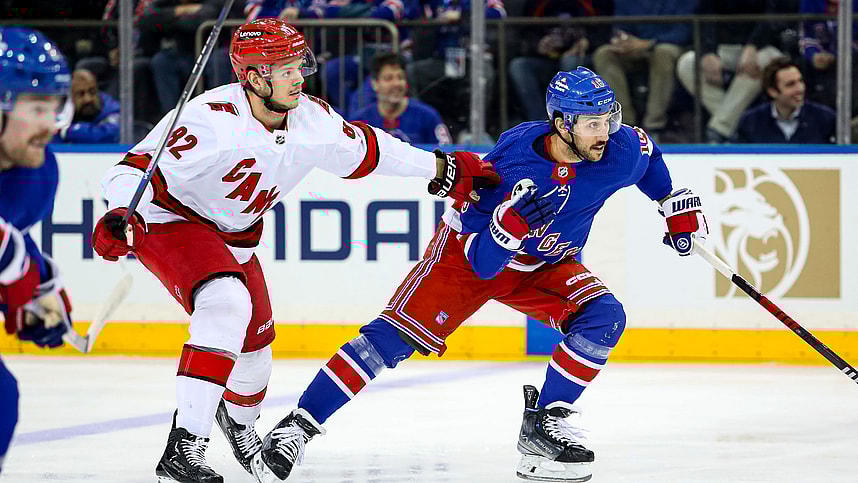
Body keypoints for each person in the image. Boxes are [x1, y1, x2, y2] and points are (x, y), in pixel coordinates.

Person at [251, 67, 709, 483]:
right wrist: (507, 227)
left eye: (608, 120)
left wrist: (671, 202)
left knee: (604, 317)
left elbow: (648, 159)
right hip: (469, 255)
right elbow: (483, 264)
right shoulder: (514, 167)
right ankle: (297, 426)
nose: (604, 133)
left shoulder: (617, 147)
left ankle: (544, 425)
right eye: (592, 124)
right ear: (561, 124)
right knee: (388, 342)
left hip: (545, 263)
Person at [90, 18, 498, 483]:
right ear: (253, 76)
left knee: (257, 349)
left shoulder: (311, 119)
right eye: (283, 68)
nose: (298, 76)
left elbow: (371, 150)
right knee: (226, 302)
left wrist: (441, 167)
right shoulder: (210, 119)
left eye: (298, 63)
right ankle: (184, 447)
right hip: (172, 219)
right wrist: (121, 213)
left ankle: (239, 426)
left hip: (233, 236)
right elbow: (135, 168)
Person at [0, 27, 75, 474]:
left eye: (53, 106)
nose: (49, 123)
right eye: (35, 107)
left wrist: (37, 287)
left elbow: (11, 237)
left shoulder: (38, 174)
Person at [351, 52, 452, 146]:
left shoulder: (428, 116)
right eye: (389, 78)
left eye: (400, 77)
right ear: (375, 84)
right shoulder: (361, 121)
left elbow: (446, 155)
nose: (396, 84)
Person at [734, 57, 835, 143]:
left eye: (800, 81)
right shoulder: (751, 122)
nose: (800, 89)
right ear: (772, 91)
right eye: (790, 84)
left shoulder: (826, 119)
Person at [52, 69, 121, 144]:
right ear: (71, 96)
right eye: (81, 94)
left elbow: (108, 135)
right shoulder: (61, 109)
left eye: (92, 92)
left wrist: (67, 131)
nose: (88, 99)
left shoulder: (113, 109)